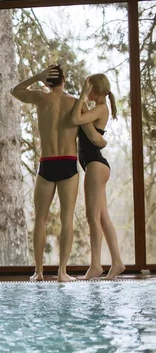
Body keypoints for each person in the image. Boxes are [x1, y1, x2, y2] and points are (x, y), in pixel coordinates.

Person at [11, 65, 100, 282]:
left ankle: (39, 272)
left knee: (40, 219)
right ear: (64, 80)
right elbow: (94, 136)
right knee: (66, 217)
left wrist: (36, 76)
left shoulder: (41, 99)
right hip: (68, 163)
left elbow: (15, 90)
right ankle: (62, 273)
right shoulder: (76, 103)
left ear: (46, 82)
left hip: (47, 162)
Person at [70, 73, 126, 280]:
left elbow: (75, 118)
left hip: (95, 165)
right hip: (97, 165)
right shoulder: (99, 109)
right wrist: (83, 100)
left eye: (89, 88)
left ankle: (95, 266)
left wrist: (81, 97)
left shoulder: (101, 108)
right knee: (102, 218)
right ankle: (118, 262)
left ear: (96, 89)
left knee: (92, 218)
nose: (87, 92)